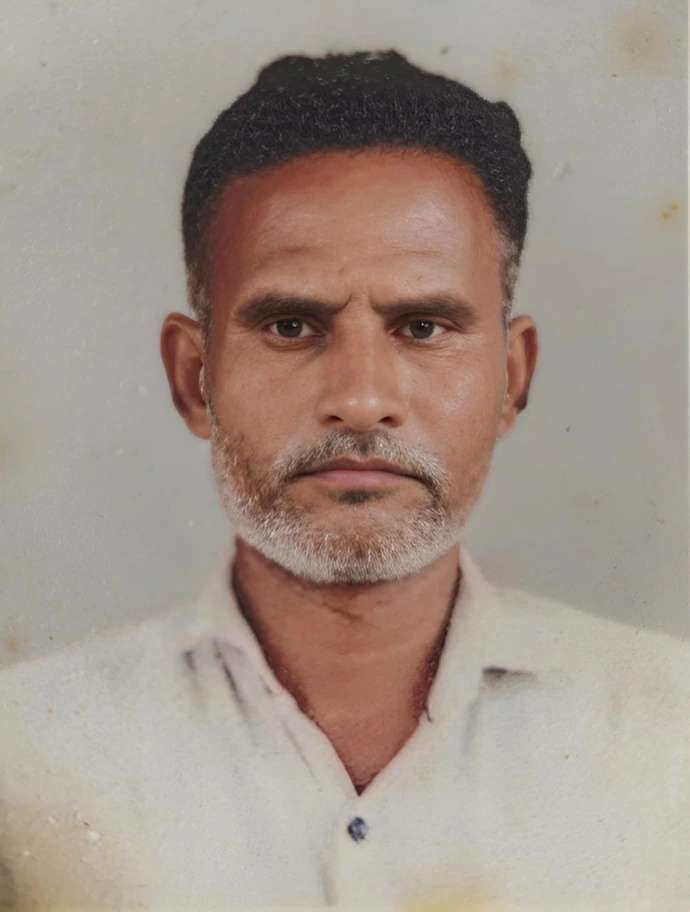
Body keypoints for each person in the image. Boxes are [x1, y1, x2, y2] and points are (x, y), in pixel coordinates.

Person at [0, 50, 687, 911]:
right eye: (292, 326)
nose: (361, 400)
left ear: (513, 379)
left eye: (423, 327)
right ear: (192, 379)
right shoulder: (24, 754)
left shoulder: (670, 733)